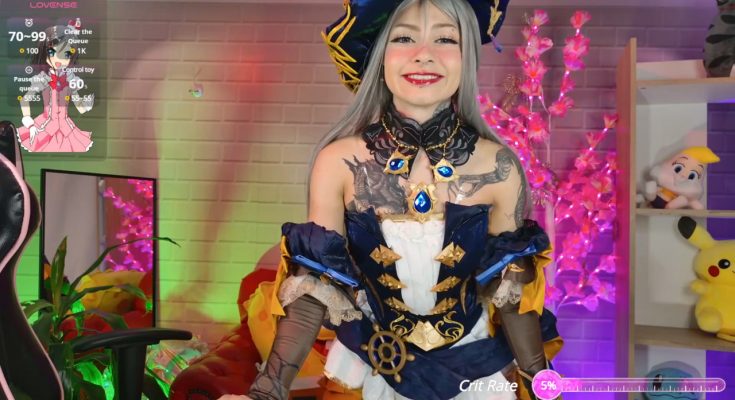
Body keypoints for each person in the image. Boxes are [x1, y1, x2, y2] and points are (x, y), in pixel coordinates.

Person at [223, 1, 562, 399]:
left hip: (475, 375)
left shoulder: (499, 165)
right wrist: (267, 391)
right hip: (369, 369)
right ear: (379, 53)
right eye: (403, 38)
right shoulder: (337, 162)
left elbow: (512, 291)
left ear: (468, 54)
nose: (424, 54)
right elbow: (314, 284)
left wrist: (543, 386)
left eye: (445, 39)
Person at [17, 21, 95, 152]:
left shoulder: (70, 79)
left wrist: (87, 105)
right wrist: (30, 125)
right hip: (44, 128)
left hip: (67, 130)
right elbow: (24, 100)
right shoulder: (43, 78)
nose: (58, 60)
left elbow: (80, 107)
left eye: (66, 54)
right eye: (52, 53)